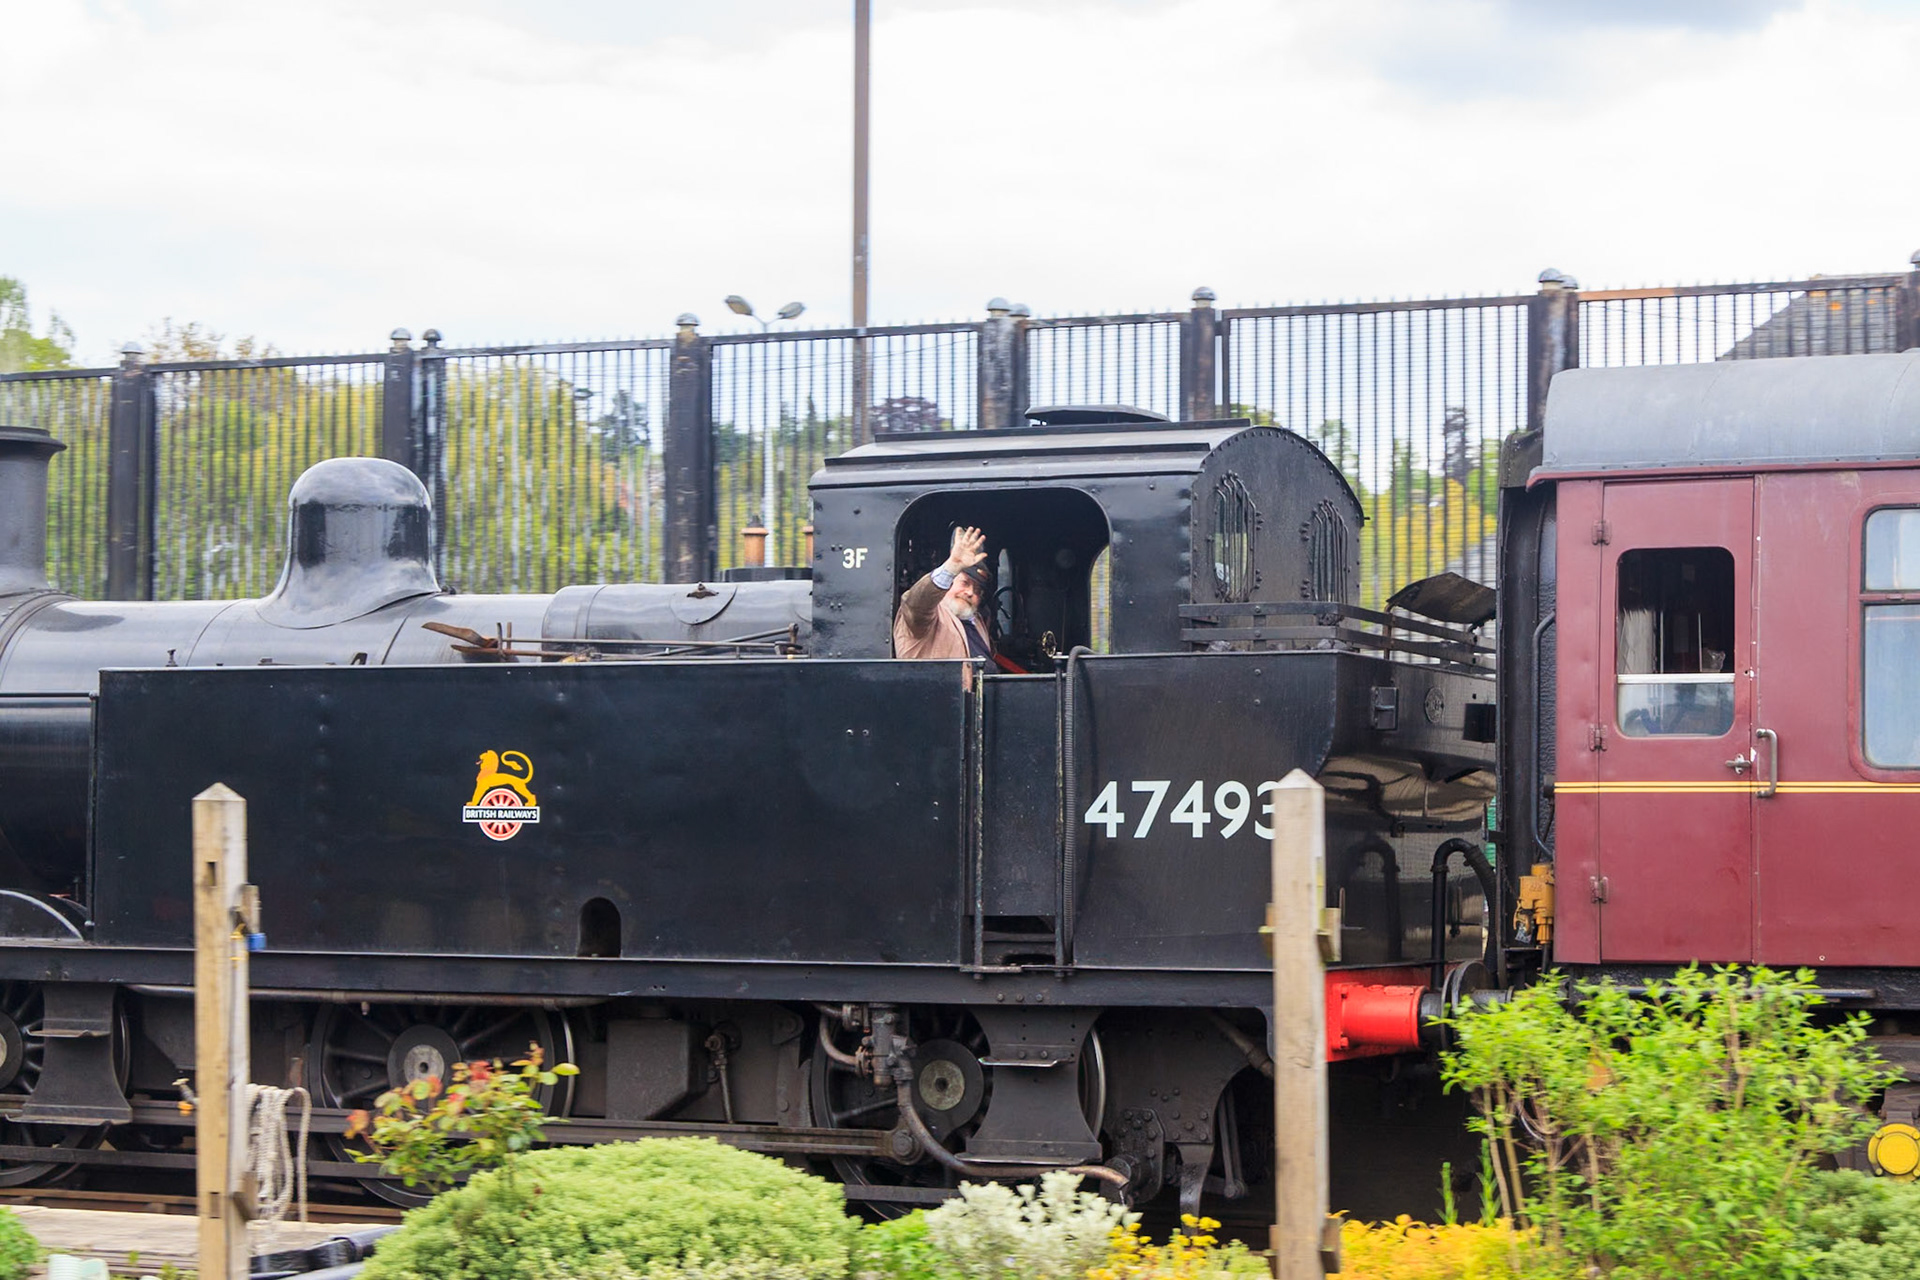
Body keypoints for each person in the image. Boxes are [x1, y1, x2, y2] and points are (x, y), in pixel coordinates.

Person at [893, 525, 997, 662]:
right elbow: (916, 605)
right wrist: (952, 566)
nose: (970, 593)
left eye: (977, 591)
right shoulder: (927, 616)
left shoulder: (977, 623)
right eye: (965, 583)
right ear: (949, 581)